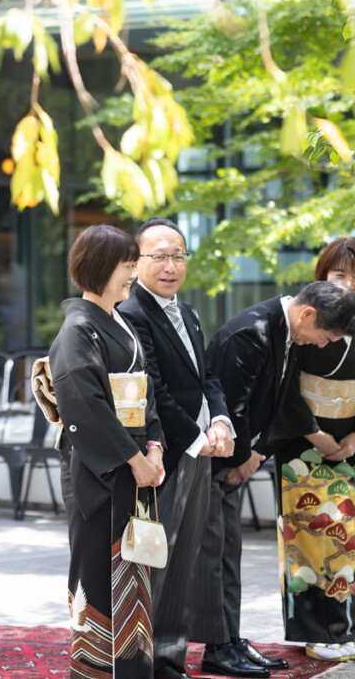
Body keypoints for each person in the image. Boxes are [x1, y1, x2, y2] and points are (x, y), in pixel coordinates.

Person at [192, 281, 355, 678]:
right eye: (325, 337)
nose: (321, 345)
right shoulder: (250, 333)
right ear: (307, 315)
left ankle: (228, 638)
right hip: (216, 459)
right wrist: (241, 461)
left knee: (228, 554)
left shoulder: (284, 332)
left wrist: (256, 456)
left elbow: (277, 404)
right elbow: (229, 410)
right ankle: (217, 646)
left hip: (240, 457)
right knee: (213, 556)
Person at [268, 238, 355, 663]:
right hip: (302, 442)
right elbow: (283, 384)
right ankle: (312, 632)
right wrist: (313, 433)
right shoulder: (302, 322)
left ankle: (342, 631)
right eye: (339, 275)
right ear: (321, 277)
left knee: (346, 541)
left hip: (353, 445)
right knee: (306, 537)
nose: (349, 283)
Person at [115, 218, 234, 679]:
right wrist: (198, 439)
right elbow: (154, 391)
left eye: (178, 255)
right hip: (163, 452)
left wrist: (221, 421)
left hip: (197, 451)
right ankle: (139, 661)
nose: (171, 266)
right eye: (159, 256)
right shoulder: (131, 312)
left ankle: (167, 658)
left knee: (183, 559)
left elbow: (206, 378)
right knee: (152, 561)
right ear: (136, 262)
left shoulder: (188, 312)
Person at [49, 223, 165, 679]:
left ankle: (134, 667)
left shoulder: (120, 323)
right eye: (127, 266)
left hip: (135, 464)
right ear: (98, 268)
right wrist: (133, 459)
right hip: (101, 470)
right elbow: (86, 406)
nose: (134, 275)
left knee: (135, 563)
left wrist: (154, 447)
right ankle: (96, 670)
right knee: (98, 569)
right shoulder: (78, 330)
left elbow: (146, 394)